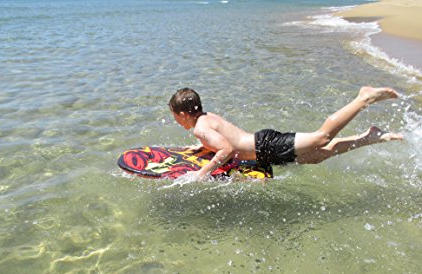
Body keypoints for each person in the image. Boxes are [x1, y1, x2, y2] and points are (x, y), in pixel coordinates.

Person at [168, 86, 403, 181]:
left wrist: (202, 173)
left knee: (321, 137)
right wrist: (201, 149)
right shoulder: (206, 118)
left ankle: (363, 98)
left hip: (265, 146)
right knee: (320, 154)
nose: (176, 122)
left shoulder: (200, 128)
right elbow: (226, 142)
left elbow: (227, 149)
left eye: (175, 117)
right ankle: (370, 137)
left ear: (182, 114)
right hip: (264, 150)